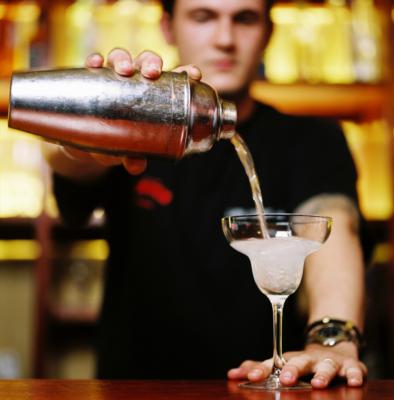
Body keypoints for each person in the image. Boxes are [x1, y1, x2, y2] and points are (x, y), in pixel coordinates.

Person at [44, 0, 367, 388]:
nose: (225, 39)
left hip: (264, 390)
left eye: (244, 19)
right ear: (168, 27)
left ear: (269, 32)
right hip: (137, 391)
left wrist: (331, 340)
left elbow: (332, 229)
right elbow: (64, 161)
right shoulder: (134, 133)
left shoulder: (313, 139)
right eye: (203, 16)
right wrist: (86, 138)